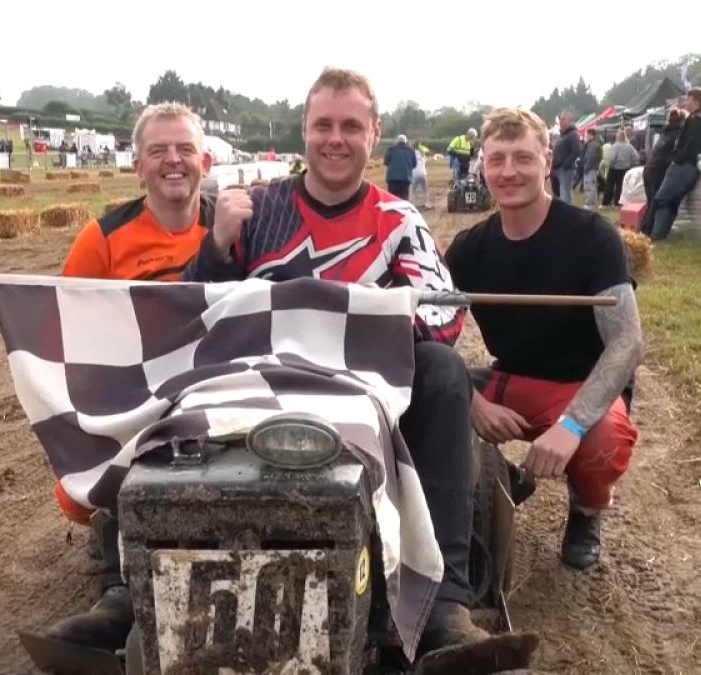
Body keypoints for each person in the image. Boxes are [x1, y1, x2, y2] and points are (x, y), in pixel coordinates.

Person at [182, 66, 518, 660]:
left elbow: (444, 320)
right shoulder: (252, 212)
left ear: (374, 134)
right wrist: (214, 249)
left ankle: (446, 606)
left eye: (351, 126)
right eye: (323, 125)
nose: (336, 139)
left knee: (443, 371)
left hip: (367, 385)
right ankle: (133, 582)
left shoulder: (400, 220)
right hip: (261, 380)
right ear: (304, 131)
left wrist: (336, 324)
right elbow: (195, 316)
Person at [34, 102, 216, 654]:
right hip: (137, 388)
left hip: (218, 380)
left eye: (184, 148)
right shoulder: (104, 239)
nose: (173, 161)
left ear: (205, 160)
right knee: (122, 430)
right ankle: (120, 591)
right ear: (137, 165)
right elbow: (68, 333)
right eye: (158, 150)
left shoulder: (235, 224)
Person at [443, 107, 642, 570]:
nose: (509, 172)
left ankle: (586, 511)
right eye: (496, 160)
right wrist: (474, 405)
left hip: (580, 385)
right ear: (482, 166)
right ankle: (495, 479)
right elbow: (429, 335)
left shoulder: (593, 236)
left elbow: (628, 343)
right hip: (510, 379)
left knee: (602, 442)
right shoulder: (469, 248)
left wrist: (570, 428)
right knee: (426, 397)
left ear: (547, 162)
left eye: (522, 158)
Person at [644, 88, 701, 241]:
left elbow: (688, 146)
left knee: (662, 199)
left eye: (688, 99)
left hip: (684, 165)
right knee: (671, 200)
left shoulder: (694, 121)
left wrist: (677, 159)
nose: (685, 102)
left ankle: (657, 234)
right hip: (692, 166)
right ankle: (661, 233)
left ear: (696, 101)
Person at [638, 108, 686, 234]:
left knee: (650, 201)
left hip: (649, 168)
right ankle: (647, 229)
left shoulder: (665, 132)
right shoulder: (679, 134)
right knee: (656, 201)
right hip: (659, 170)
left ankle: (644, 227)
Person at [602, 129, 639, 207]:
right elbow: (636, 157)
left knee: (609, 186)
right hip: (625, 168)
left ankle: (606, 202)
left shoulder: (615, 146)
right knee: (621, 186)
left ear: (617, 137)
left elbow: (612, 158)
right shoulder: (629, 146)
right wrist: (630, 163)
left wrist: (610, 165)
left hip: (614, 168)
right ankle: (618, 202)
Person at [551, 113, 581, 204]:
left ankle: (568, 213)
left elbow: (576, 151)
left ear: (569, 122)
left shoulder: (573, 135)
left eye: (563, 119)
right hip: (556, 168)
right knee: (559, 192)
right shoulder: (562, 135)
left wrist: (566, 164)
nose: (561, 121)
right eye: (560, 119)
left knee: (566, 193)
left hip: (566, 169)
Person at [383, 133, 417, 200]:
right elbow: (414, 164)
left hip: (392, 179)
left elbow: (386, 162)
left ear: (396, 141)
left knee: (391, 198)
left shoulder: (391, 150)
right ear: (406, 141)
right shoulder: (411, 151)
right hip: (406, 178)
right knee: (404, 199)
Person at [580, 129, 602, 210]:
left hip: (590, 168)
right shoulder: (594, 144)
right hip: (593, 168)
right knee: (593, 185)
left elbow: (590, 157)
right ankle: (592, 203)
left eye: (587, 134)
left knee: (589, 186)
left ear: (590, 135)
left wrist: (586, 167)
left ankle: (589, 204)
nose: (586, 136)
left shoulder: (592, 145)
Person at [410, 139, 432, 209]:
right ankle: (427, 204)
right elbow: (428, 153)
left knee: (412, 190)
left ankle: (411, 205)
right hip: (423, 173)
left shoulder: (412, 154)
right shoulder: (423, 154)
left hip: (414, 174)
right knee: (425, 190)